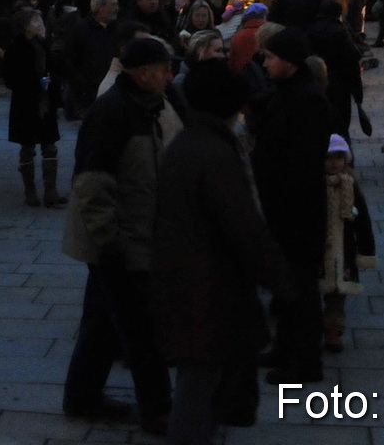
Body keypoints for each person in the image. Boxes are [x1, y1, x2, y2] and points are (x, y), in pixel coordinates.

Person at [153, 59, 285, 445]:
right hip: (206, 289)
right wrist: (281, 279)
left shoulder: (192, 142)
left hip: (192, 282)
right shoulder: (211, 152)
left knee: (201, 384)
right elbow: (243, 226)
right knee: (198, 391)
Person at [62, 37, 184, 434]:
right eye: (164, 68)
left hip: (129, 233)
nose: (170, 75)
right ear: (145, 73)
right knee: (141, 328)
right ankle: (158, 409)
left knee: (101, 321)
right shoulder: (113, 112)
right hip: (118, 239)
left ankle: (82, 397)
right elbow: (92, 184)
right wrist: (109, 240)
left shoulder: (149, 105)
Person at [248, 27, 332, 384]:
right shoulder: (283, 92)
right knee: (286, 283)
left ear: (290, 62)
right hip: (279, 205)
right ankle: (284, 347)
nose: (264, 62)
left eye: (270, 57)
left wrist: (283, 203)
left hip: (297, 209)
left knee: (301, 286)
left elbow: (302, 161)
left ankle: (305, 360)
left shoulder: (307, 99)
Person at [0, 7, 63, 208]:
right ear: (24, 26)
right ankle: (30, 190)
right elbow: (10, 79)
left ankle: (50, 191)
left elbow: (55, 67)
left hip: (44, 102)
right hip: (26, 104)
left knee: (49, 146)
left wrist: (53, 83)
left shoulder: (42, 45)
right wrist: (35, 83)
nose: (39, 24)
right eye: (35, 21)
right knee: (27, 147)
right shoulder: (15, 49)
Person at [319, 135, 373, 354]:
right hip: (319, 249)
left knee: (337, 295)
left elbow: (363, 221)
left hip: (344, 251)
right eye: (328, 157)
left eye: (339, 157)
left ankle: (333, 330)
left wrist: (367, 250)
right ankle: (317, 326)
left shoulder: (350, 186)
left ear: (346, 160)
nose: (334, 162)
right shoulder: (315, 186)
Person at [306, 0, 363, 142]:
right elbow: (352, 60)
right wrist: (357, 92)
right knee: (341, 124)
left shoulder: (310, 31)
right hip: (339, 84)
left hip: (317, 83)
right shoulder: (341, 31)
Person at [64, 0, 120, 122]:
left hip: (114, 91)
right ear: (100, 7)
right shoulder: (81, 30)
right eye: (113, 5)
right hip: (90, 94)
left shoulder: (117, 29)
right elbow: (69, 61)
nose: (117, 8)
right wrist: (83, 85)